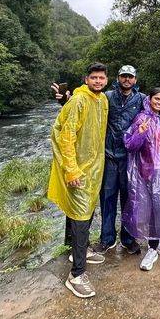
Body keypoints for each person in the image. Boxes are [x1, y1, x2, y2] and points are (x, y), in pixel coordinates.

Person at [48, 62, 109, 298]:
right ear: (86, 79)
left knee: (83, 211)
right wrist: (71, 170)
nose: (97, 81)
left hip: (94, 167)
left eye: (101, 78)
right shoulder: (79, 100)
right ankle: (76, 275)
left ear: (106, 80)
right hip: (79, 169)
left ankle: (78, 251)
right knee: (81, 216)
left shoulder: (102, 100)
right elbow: (66, 137)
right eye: (93, 77)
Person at [123, 88, 160, 271]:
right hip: (150, 171)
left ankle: (158, 240)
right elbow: (130, 145)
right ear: (149, 99)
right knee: (152, 208)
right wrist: (139, 132)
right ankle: (152, 248)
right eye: (157, 99)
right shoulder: (142, 118)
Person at [93, 65, 145, 255]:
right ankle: (107, 239)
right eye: (124, 76)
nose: (127, 80)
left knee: (129, 201)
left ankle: (128, 238)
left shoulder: (141, 99)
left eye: (130, 77)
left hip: (130, 159)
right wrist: (65, 100)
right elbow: (88, 107)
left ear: (135, 80)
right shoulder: (106, 97)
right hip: (108, 156)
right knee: (107, 199)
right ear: (117, 78)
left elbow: (155, 114)